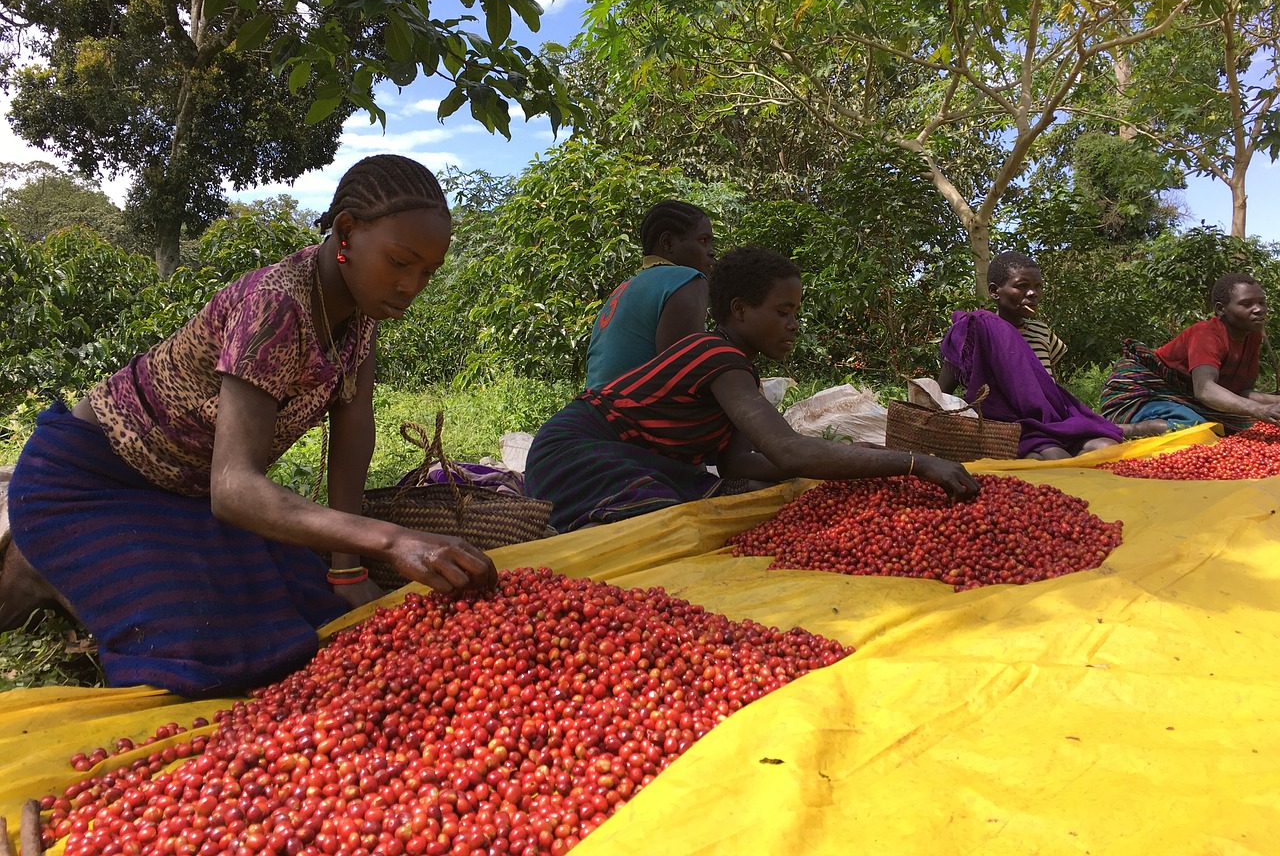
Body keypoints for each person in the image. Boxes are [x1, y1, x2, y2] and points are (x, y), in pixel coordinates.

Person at [2, 155, 496, 696]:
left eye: (427, 272)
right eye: (400, 262)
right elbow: (234, 489)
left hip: (186, 496)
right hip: (91, 482)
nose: (411, 286)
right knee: (212, 651)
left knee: (308, 615)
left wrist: (348, 568)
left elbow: (353, 434)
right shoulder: (277, 305)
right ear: (347, 231)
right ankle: (40, 566)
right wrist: (392, 539)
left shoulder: (361, 313)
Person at [525, 245, 980, 532]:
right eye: (783, 311)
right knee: (669, 525)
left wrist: (852, 461)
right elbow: (787, 451)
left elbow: (738, 461)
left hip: (618, 457)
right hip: (576, 454)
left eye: (795, 313)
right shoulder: (715, 356)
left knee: (704, 508)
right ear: (740, 310)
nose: (793, 325)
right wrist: (913, 463)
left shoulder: (737, 372)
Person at [938, 251, 1129, 460]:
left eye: (1038, 286)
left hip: (1051, 422)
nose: (1033, 293)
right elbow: (940, 394)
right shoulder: (976, 333)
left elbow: (1049, 385)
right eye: (1022, 286)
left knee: (1108, 446)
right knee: (1054, 458)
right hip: (1010, 428)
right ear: (995, 291)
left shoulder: (1042, 332)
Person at [1099, 272, 1280, 434]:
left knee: (1246, 424)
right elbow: (1205, 390)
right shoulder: (1206, 334)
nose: (1259, 309)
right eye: (1246, 304)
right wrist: (1259, 409)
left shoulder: (1252, 336)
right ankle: (1114, 429)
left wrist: (1273, 403)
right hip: (1139, 392)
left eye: (1262, 302)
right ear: (1220, 309)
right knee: (1193, 427)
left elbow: (1243, 392)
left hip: (1181, 398)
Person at [584, 200, 716, 389]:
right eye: (703, 241)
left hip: (591, 409)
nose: (711, 252)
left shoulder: (625, 286)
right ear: (668, 243)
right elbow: (682, 378)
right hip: (628, 413)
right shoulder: (687, 279)